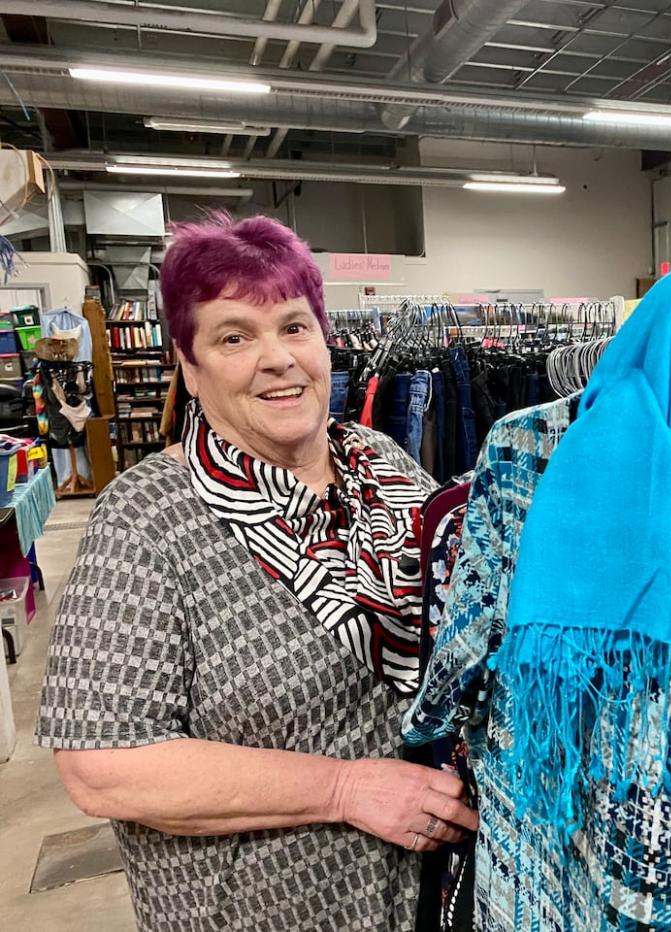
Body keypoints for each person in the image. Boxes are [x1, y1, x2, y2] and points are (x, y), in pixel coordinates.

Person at [34, 212, 477, 932]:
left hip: (427, 894)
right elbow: (103, 765)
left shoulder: (382, 463)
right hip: (255, 911)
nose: (277, 358)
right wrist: (343, 789)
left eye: (294, 327)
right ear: (189, 362)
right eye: (235, 336)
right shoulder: (147, 519)